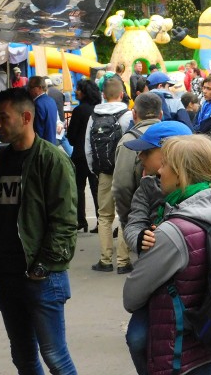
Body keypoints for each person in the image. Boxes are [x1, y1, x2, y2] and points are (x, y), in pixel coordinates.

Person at [0, 87, 78, 374]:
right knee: (23, 358)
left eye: (2, 117)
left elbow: (64, 222)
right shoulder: (6, 158)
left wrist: (42, 267)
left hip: (42, 277)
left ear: (25, 117)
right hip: (8, 277)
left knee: (55, 357)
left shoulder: (53, 159)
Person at [123, 135, 211, 375]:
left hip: (180, 350)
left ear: (179, 174)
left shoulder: (173, 232)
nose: (159, 171)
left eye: (164, 164)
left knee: (136, 337)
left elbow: (131, 297)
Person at [85, 77, 133, 273]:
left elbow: (88, 147)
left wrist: (94, 170)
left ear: (103, 95)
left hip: (103, 172)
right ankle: (123, 261)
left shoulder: (93, 116)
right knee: (124, 216)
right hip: (123, 172)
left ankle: (105, 260)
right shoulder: (128, 115)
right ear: (122, 94)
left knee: (104, 216)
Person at [112, 93, 163, 230]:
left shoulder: (128, 141)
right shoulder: (175, 135)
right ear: (161, 114)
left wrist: (128, 221)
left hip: (142, 220)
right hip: (176, 220)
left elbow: (122, 186)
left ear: (134, 114)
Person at [67, 79, 102, 233]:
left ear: (84, 92)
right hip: (96, 154)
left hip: (80, 155)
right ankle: (102, 221)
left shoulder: (79, 111)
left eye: (78, 89)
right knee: (96, 189)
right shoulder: (99, 110)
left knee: (78, 188)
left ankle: (81, 220)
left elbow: (71, 136)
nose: (76, 91)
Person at [28, 75, 58, 145]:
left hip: (42, 146)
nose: (28, 90)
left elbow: (38, 130)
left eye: (31, 87)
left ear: (39, 88)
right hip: (52, 143)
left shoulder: (37, 104)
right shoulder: (51, 100)